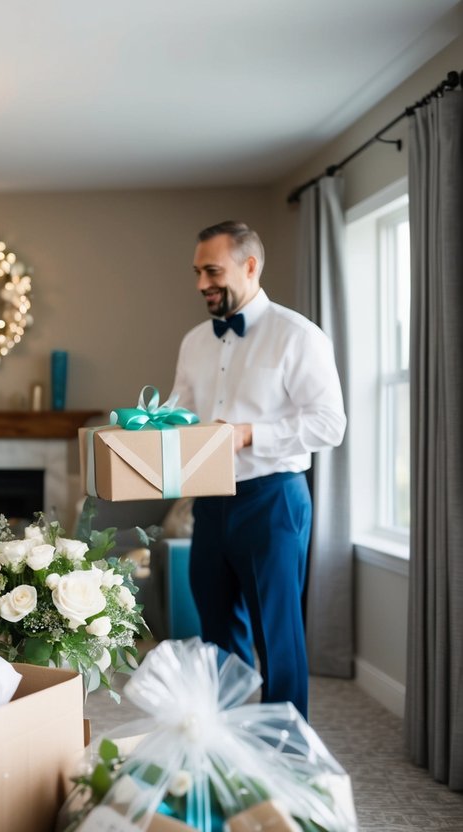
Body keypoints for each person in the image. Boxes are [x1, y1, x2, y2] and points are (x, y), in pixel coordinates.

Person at [170, 220, 345, 720]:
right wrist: (144, 429)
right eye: (198, 272)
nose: (202, 283)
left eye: (212, 270)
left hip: (273, 500)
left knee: (278, 634)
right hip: (208, 500)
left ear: (250, 266)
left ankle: (285, 753)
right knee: (216, 631)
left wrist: (249, 434)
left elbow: (330, 425)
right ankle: (222, 744)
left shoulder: (299, 336)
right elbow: (180, 414)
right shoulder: (194, 342)